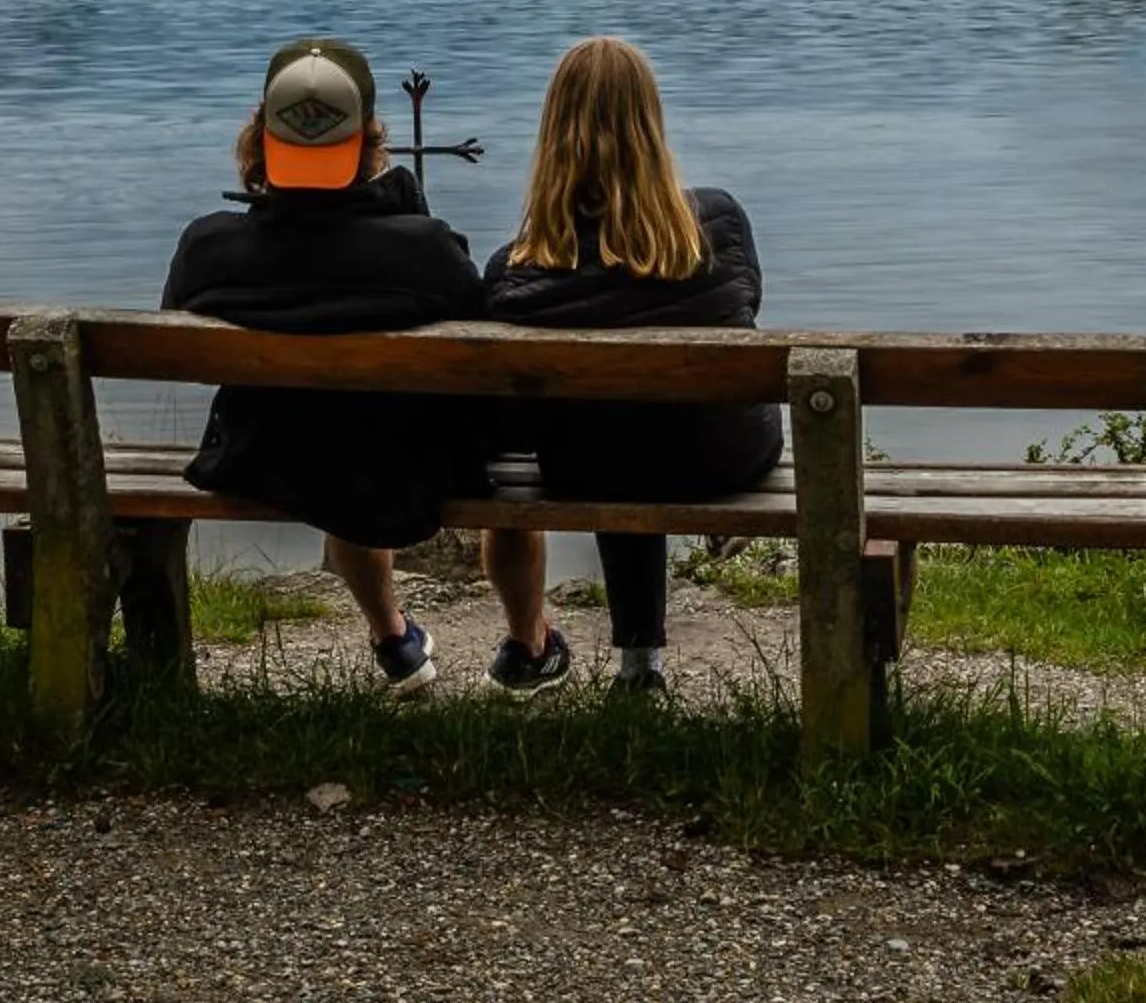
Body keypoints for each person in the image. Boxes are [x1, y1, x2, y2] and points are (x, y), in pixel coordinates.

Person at [170, 36, 571, 696]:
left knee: (330, 438)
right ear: (368, 143)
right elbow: (485, 361)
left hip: (263, 461)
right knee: (379, 440)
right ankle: (528, 643)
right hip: (404, 469)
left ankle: (393, 639)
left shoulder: (207, 247)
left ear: (259, 138)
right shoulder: (425, 252)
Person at [484, 35, 783, 694]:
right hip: (725, 454)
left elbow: (511, 421)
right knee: (642, 420)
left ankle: (640, 666)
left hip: (592, 470)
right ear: (652, 123)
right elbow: (747, 307)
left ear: (552, 133)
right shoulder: (719, 221)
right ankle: (639, 663)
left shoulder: (515, 270)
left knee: (615, 432)